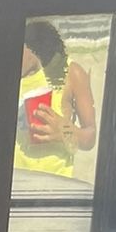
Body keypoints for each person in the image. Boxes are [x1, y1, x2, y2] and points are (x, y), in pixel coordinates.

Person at [14, 19, 96, 178]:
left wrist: (64, 132)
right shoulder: (1, 74)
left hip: (54, 187)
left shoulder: (70, 74)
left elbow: (90, 136)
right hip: (14, 186)